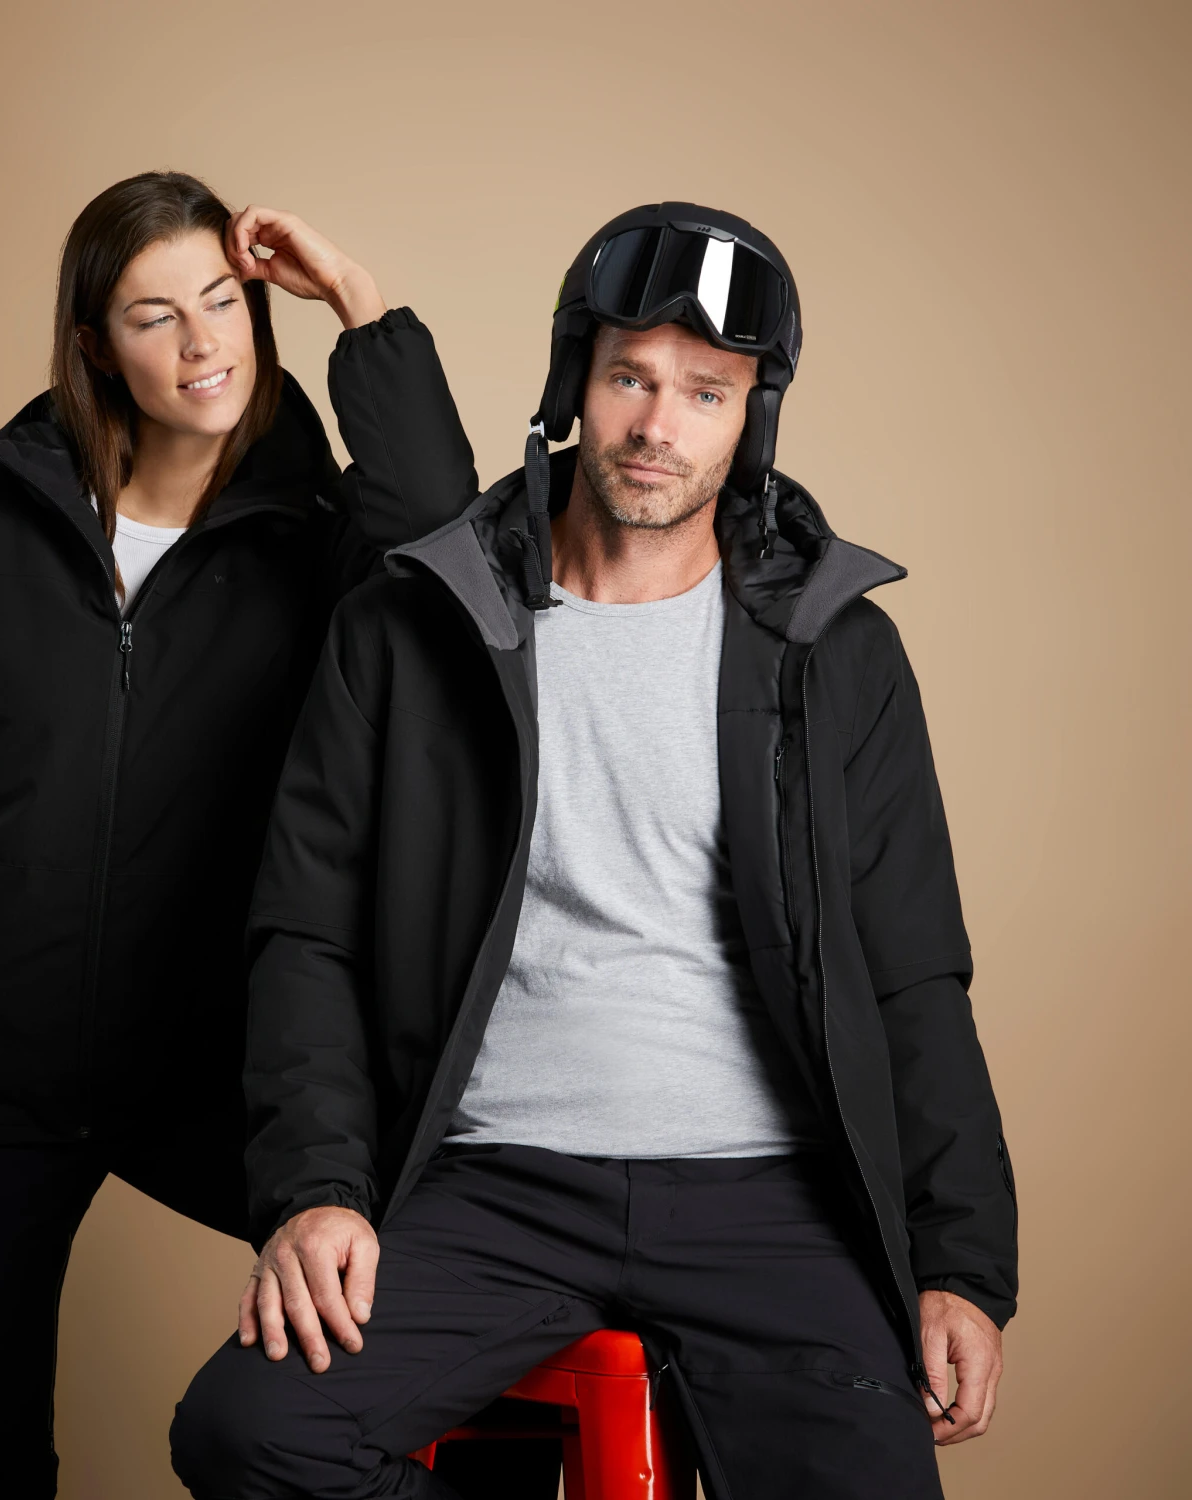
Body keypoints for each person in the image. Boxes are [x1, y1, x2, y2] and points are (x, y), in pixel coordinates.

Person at [170, 202, 1019, 1499]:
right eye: (631, 377)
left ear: (751, 418)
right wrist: (317, 1191)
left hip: (768, 1199)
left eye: (706, 393)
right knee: (251, 1433)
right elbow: (310, 935)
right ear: (577, 378)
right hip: (495, 1185)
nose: (657, 425)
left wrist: (960, 1263)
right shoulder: (420, 623)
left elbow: (912, 968)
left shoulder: (836, 650)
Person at [0, 172, 475, 1499]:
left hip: (208, 1064)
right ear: (96, 345)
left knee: (407, 1320)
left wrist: (358, 304)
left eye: (223, 302)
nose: (204, 343)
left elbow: (444, 532)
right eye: (156, 317)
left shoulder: (317, 538)